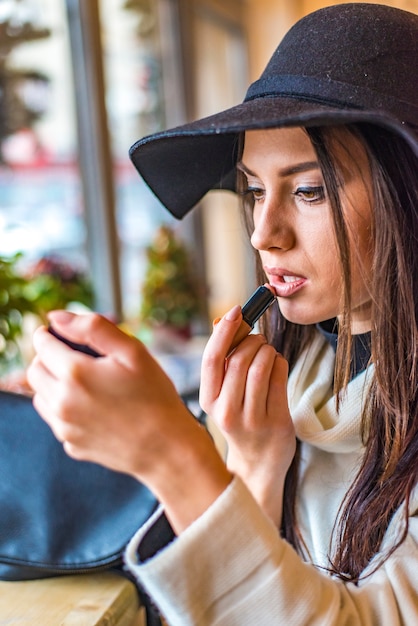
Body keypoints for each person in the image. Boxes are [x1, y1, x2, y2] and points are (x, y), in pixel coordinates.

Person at [27, 3, 418, 624]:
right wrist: (254, 465)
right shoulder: (300, 372)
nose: (265, 234)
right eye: (254, 190)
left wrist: (175, 457)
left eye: (309, 189)